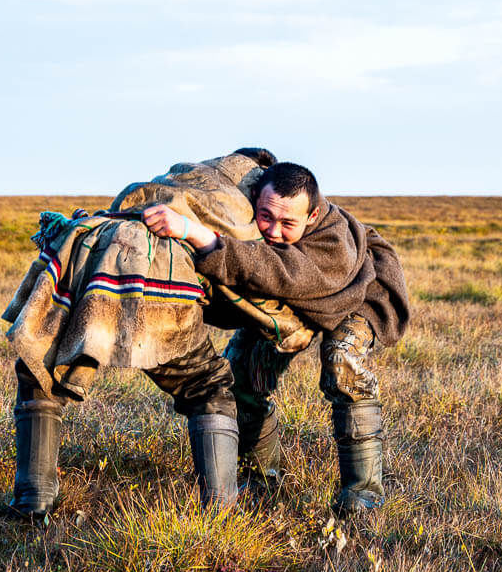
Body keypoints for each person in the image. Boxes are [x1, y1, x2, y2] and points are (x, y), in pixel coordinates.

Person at [4, 148, 307, 516]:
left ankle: (31, 502)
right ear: (260, 174)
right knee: (207, 387)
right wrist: (294, 327)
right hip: (156, 274)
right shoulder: (240, 201)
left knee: (41, 371)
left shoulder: (181, 176)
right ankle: (221, 512)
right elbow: (249, 273)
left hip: (90, 256)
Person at [142, 161, 410, 515]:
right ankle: (262, 479)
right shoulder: (246, 216)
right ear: (256, 198)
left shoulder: (333, 241)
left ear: (312, 215)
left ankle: (362, 494)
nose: (273, 230)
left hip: (357, 294)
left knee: (342, 361)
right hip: (286, 302)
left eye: (288, 223)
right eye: (266, 216)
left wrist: (201, 237)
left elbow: (284, 272)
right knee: (241, 376)